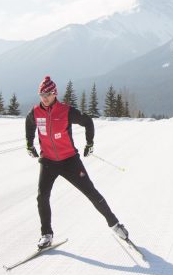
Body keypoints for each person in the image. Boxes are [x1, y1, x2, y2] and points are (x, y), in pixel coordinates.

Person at [25, 75, 129, 249]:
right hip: (48, 161)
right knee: (42, 196)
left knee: (90, 192)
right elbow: (29, 124)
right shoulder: (36, 112)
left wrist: (89, 143)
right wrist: (29, 144)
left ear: (54, 93)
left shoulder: (65, 111)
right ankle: (46, 234)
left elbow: (88, 121)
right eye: (42, 94)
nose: (44, 97)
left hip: (69, 161)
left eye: (48, 94)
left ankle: (115, 224)